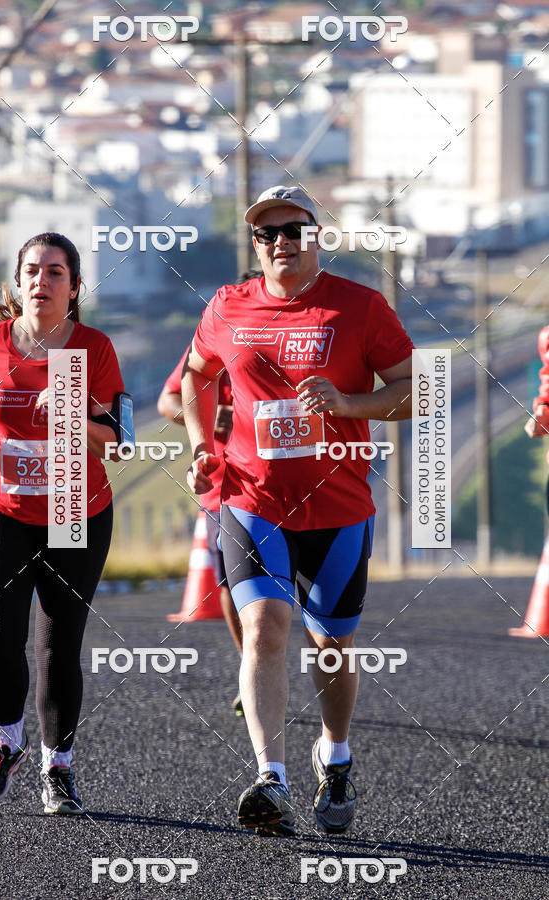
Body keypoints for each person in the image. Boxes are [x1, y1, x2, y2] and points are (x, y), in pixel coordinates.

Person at [181, 186, 414, 836]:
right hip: (252, 501)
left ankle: (335, 756)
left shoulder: (359, 306)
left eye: (295, 230)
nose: (281, 242)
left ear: (317, 237)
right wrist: (202, 446)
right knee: (264, 627)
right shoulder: (228, 305)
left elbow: (417, 390)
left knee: (332, 646)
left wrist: (348, 403)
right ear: (255, 245)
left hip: (338, 508)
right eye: (267, 233)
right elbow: (195, 374)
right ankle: (272, 777)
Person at [0, 233, 126, 814]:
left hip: (74, 508)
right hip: (2, 509)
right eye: (32, 270)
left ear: (74, 288)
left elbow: (119, 443)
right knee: (0, 640)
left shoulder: (94, 349)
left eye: (55, 272)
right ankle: (6, 741)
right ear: (18, 281)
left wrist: (75, 416)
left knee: (57, 647)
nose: (41, 281)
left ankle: (58, 767)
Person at [159, 347, 244, 714]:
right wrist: (209, 417)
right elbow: (167, 401)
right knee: (231, 585)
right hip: (224, 490)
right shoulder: (214, 337)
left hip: (290, 487)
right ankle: (252, 668)